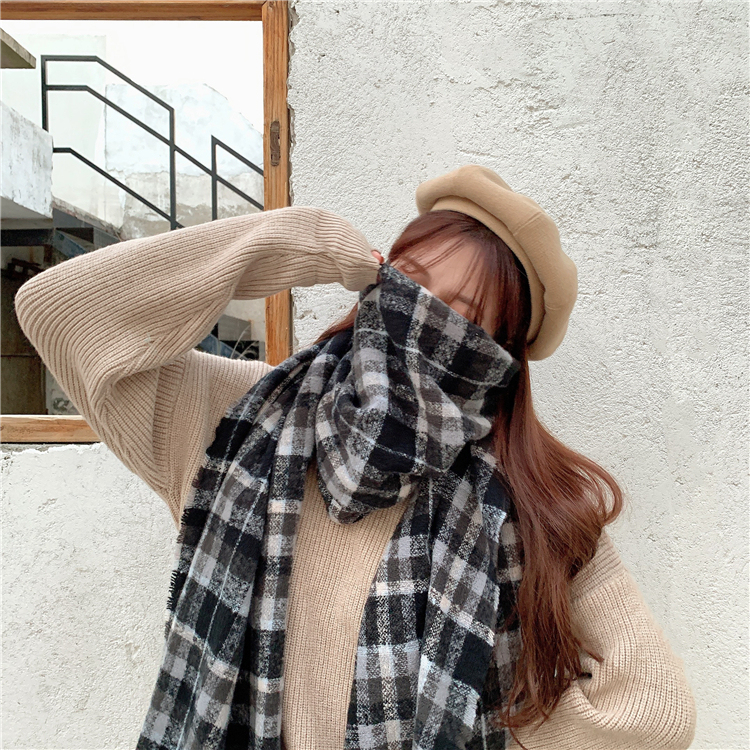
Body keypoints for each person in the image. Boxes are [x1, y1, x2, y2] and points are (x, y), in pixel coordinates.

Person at [14, 164, 696, 750]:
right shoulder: (241, 422)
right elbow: (58, 312)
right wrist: (292, 244)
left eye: (456, 312)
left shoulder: (535, 506)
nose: (415, 315)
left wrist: (478, 730)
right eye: (407, 282)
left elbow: (655, 710)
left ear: (495, 355)